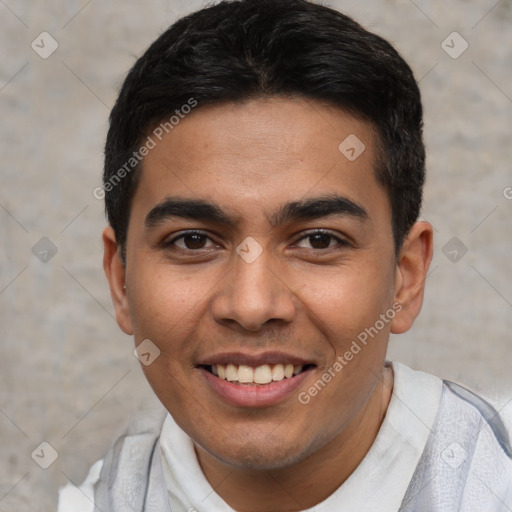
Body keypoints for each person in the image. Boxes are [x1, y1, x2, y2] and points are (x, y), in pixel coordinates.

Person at [58, 0, 512, 510]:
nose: (252, 306)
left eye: (319, 240)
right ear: (121, 280)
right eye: (193, 241)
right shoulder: (98, 498)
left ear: (405, 278)